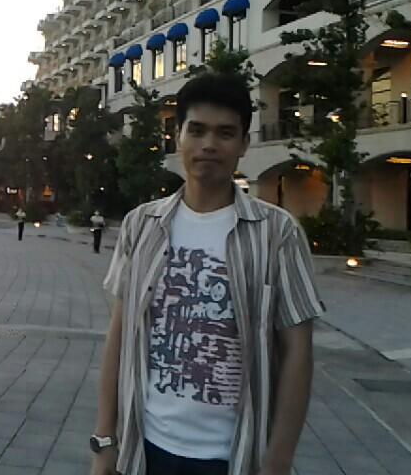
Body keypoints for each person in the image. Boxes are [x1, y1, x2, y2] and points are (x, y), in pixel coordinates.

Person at [90, 73, 325, 475]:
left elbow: (297, 351)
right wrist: (104, 441)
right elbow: (119, 334)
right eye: (196, 130)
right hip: (144, 448)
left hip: (233, 456)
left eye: (225, 133)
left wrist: (277, 461)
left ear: (244, 144)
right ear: (178, 136)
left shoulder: (277, 233)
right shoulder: (141, 225)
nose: (209, 145)